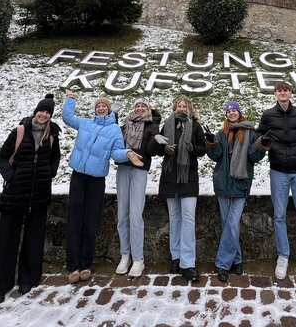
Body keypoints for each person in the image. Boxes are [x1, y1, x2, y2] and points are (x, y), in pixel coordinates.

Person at [0, 93, 61, 305]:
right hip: (16, 193)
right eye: (42, 110)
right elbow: (2, 157)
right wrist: (11, 176)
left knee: (34, 238)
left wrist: (50, 172)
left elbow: (56, 156)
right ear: (35, 111)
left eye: (48, 112)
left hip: (39, 194)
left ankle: (28, 278)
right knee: (6, 240)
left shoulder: (52, 134)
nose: (44, 114)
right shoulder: (20, 131)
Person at [62, 89, 143, 285]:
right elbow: (68, 118)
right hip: (78, 177)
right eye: (98, 105)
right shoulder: (85, 123)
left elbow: (116, 152)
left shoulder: (114, 129)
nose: (101, 108)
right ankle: (73, 266)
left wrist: (128, 154)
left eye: (104, 106)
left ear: (108, 111)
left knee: (90, 221)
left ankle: (86, 264)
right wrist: (71, 99)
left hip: (96, 180)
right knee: (74, 219)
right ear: (95, 109)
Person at [256, 80, 296, 282]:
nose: (283, 93)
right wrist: (266, 144)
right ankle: (283, 255)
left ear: (291, 93)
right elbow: (260, 135)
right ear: (275, 94)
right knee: (280, 215)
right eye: (279, 90)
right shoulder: (268, 114)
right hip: (278, 171)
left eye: (286, 90)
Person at [205, 101, 265, 283]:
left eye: (234, 110)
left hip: (241, 183)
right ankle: (237, 259)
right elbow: (215, 157)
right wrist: (212, 144)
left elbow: (254, 157)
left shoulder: (250, 132)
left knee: (232, 223)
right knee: (228, 223)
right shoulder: (222, 133)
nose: (231, 113)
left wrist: (261, 146)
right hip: (223, 183)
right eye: (229, 111)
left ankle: (223, 264)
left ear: (240, 112)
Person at [150, 95, 207, 282]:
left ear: (189, 109)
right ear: (175, 108)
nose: (181, 108)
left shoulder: (195, 126)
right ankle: (176, 258)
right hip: (169, 177)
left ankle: (188, 263)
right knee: (174, 219)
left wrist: (192, 149)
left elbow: (203, 150)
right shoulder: (167, 125)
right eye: (179, 106)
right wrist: (164, 149)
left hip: (188, 177)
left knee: (188, 219)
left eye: (184, 106)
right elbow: (158, 150)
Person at [114, 97, 161, 278]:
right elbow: (115, 138)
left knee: (135, 215)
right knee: (122, 214)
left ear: (148, 109)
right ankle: (125, 255)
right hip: (123, 168)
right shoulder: (125, 124)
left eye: (143, 106)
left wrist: (156, 141)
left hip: (139, 170)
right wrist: (114, 116)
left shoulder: (152, 125)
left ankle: (138, 259)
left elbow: (151, 152)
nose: (140, 108)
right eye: (138, 105)